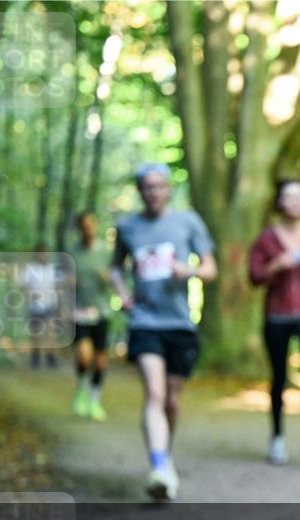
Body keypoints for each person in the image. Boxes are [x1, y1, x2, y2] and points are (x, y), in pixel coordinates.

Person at [110, 163, 217, 501]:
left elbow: (211, 268)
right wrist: (122, 293)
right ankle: (158, 466)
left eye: (159, 186)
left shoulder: (188, 222)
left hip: (181, 324)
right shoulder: (127, 226)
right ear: (140, 190)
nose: (154, 191)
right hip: (144, 322)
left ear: (168, 189)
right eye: (147, 186)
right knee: (154, 395)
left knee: (171, 400)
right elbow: (115, 266)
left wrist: (191, 271)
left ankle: (164, 458)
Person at [249, 179, 300, 465]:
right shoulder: (266, 239)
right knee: (279, 377)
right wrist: (275, 266)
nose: (295, 202)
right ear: (280, 202)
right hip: (277, 314)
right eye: (289, 197)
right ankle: (277, 437)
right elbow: (255, 276)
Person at [70, 211, 112, 421]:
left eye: (90, 224)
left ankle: (95, 401)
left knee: (100, 360)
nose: (87, 228)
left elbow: (117, 279)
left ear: (95, 226)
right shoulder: (72, 253)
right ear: (79, 228)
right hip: (78, 311)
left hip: (102, 311)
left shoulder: (106, 252)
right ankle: (81, 390)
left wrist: (108, 278)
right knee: (83, 355)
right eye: (83, 225)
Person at [22, 244, 60, 369]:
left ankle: (51, 357)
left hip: (50, 304)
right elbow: (24, 285)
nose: (43, 255)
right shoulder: (30, 268)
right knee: (36, 334)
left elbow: (57, 285)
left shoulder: (52, 268)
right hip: (35, 306)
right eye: (41, 252)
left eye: (45, 252)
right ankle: (35, 357)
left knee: (50, 331)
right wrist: (30, 296)